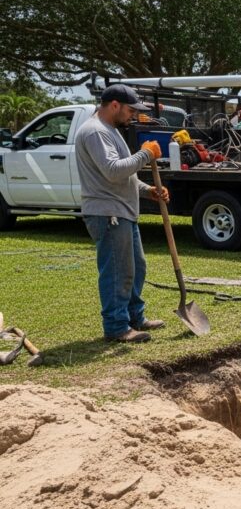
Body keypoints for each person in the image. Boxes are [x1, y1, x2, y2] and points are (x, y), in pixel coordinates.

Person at [76, 84, 169, 343]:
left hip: (122, 210)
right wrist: (146, 153)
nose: (133, 115)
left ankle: (134, 316)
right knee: (118, 270)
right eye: (130, 110)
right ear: (114, 105)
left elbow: (123, 177)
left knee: (136, 268)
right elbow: (113, 170)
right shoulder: (95, 132)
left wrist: (147, 189)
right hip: (108, 213)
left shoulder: (110, 131)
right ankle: (117, 327)